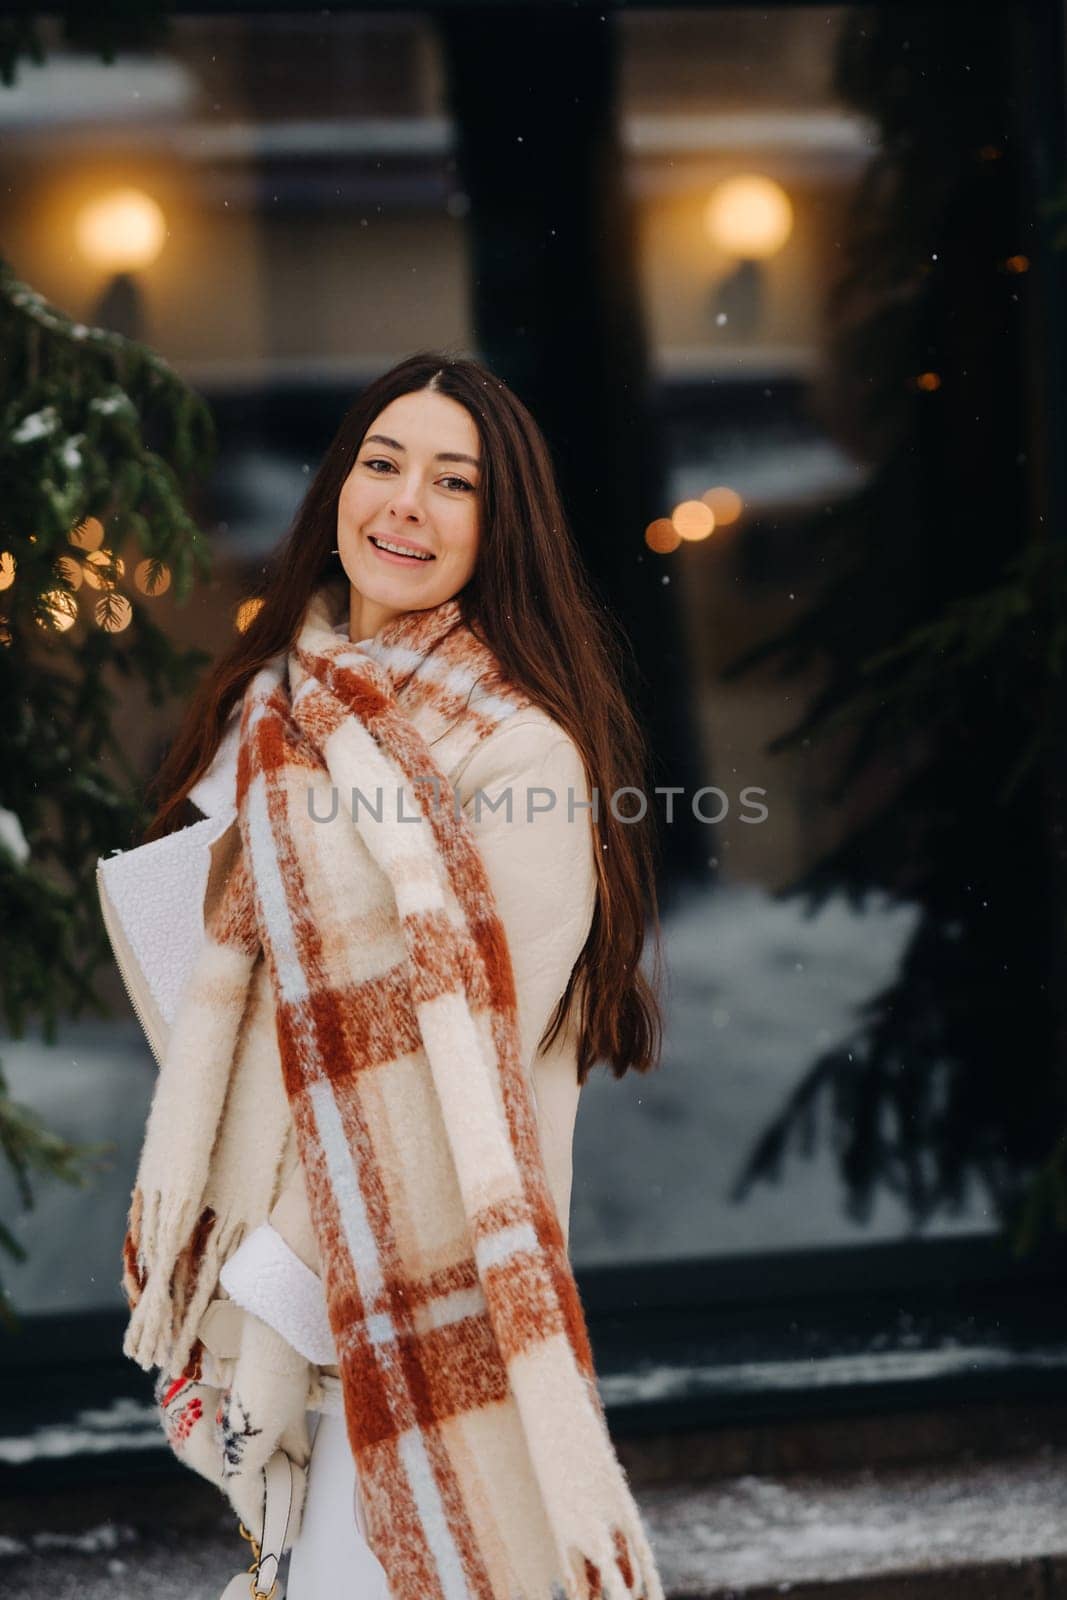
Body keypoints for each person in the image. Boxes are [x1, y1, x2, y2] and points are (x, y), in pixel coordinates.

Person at [101, 351, 665, 1600]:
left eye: (453, 482)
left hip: (418, 1301)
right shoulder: (271, 714)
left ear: (498, 528)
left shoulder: (517, 751)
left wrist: (270, 1302)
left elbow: (440, 1071)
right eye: (382, 462)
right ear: (337, 488)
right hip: (277, 1277)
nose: (405, 502)